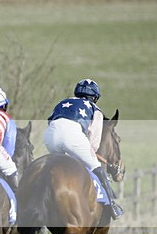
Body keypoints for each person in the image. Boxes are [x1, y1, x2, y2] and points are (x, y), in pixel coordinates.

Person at [45, 78, 123, 219]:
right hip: (73, 137)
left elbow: (50, 120)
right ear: (95, 97)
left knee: (58, 168)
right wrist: (88, 152)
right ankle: (112, 205)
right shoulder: (95, 109)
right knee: (96, 167)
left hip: (50, 137)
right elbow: (94, 141)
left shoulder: (62, 102)